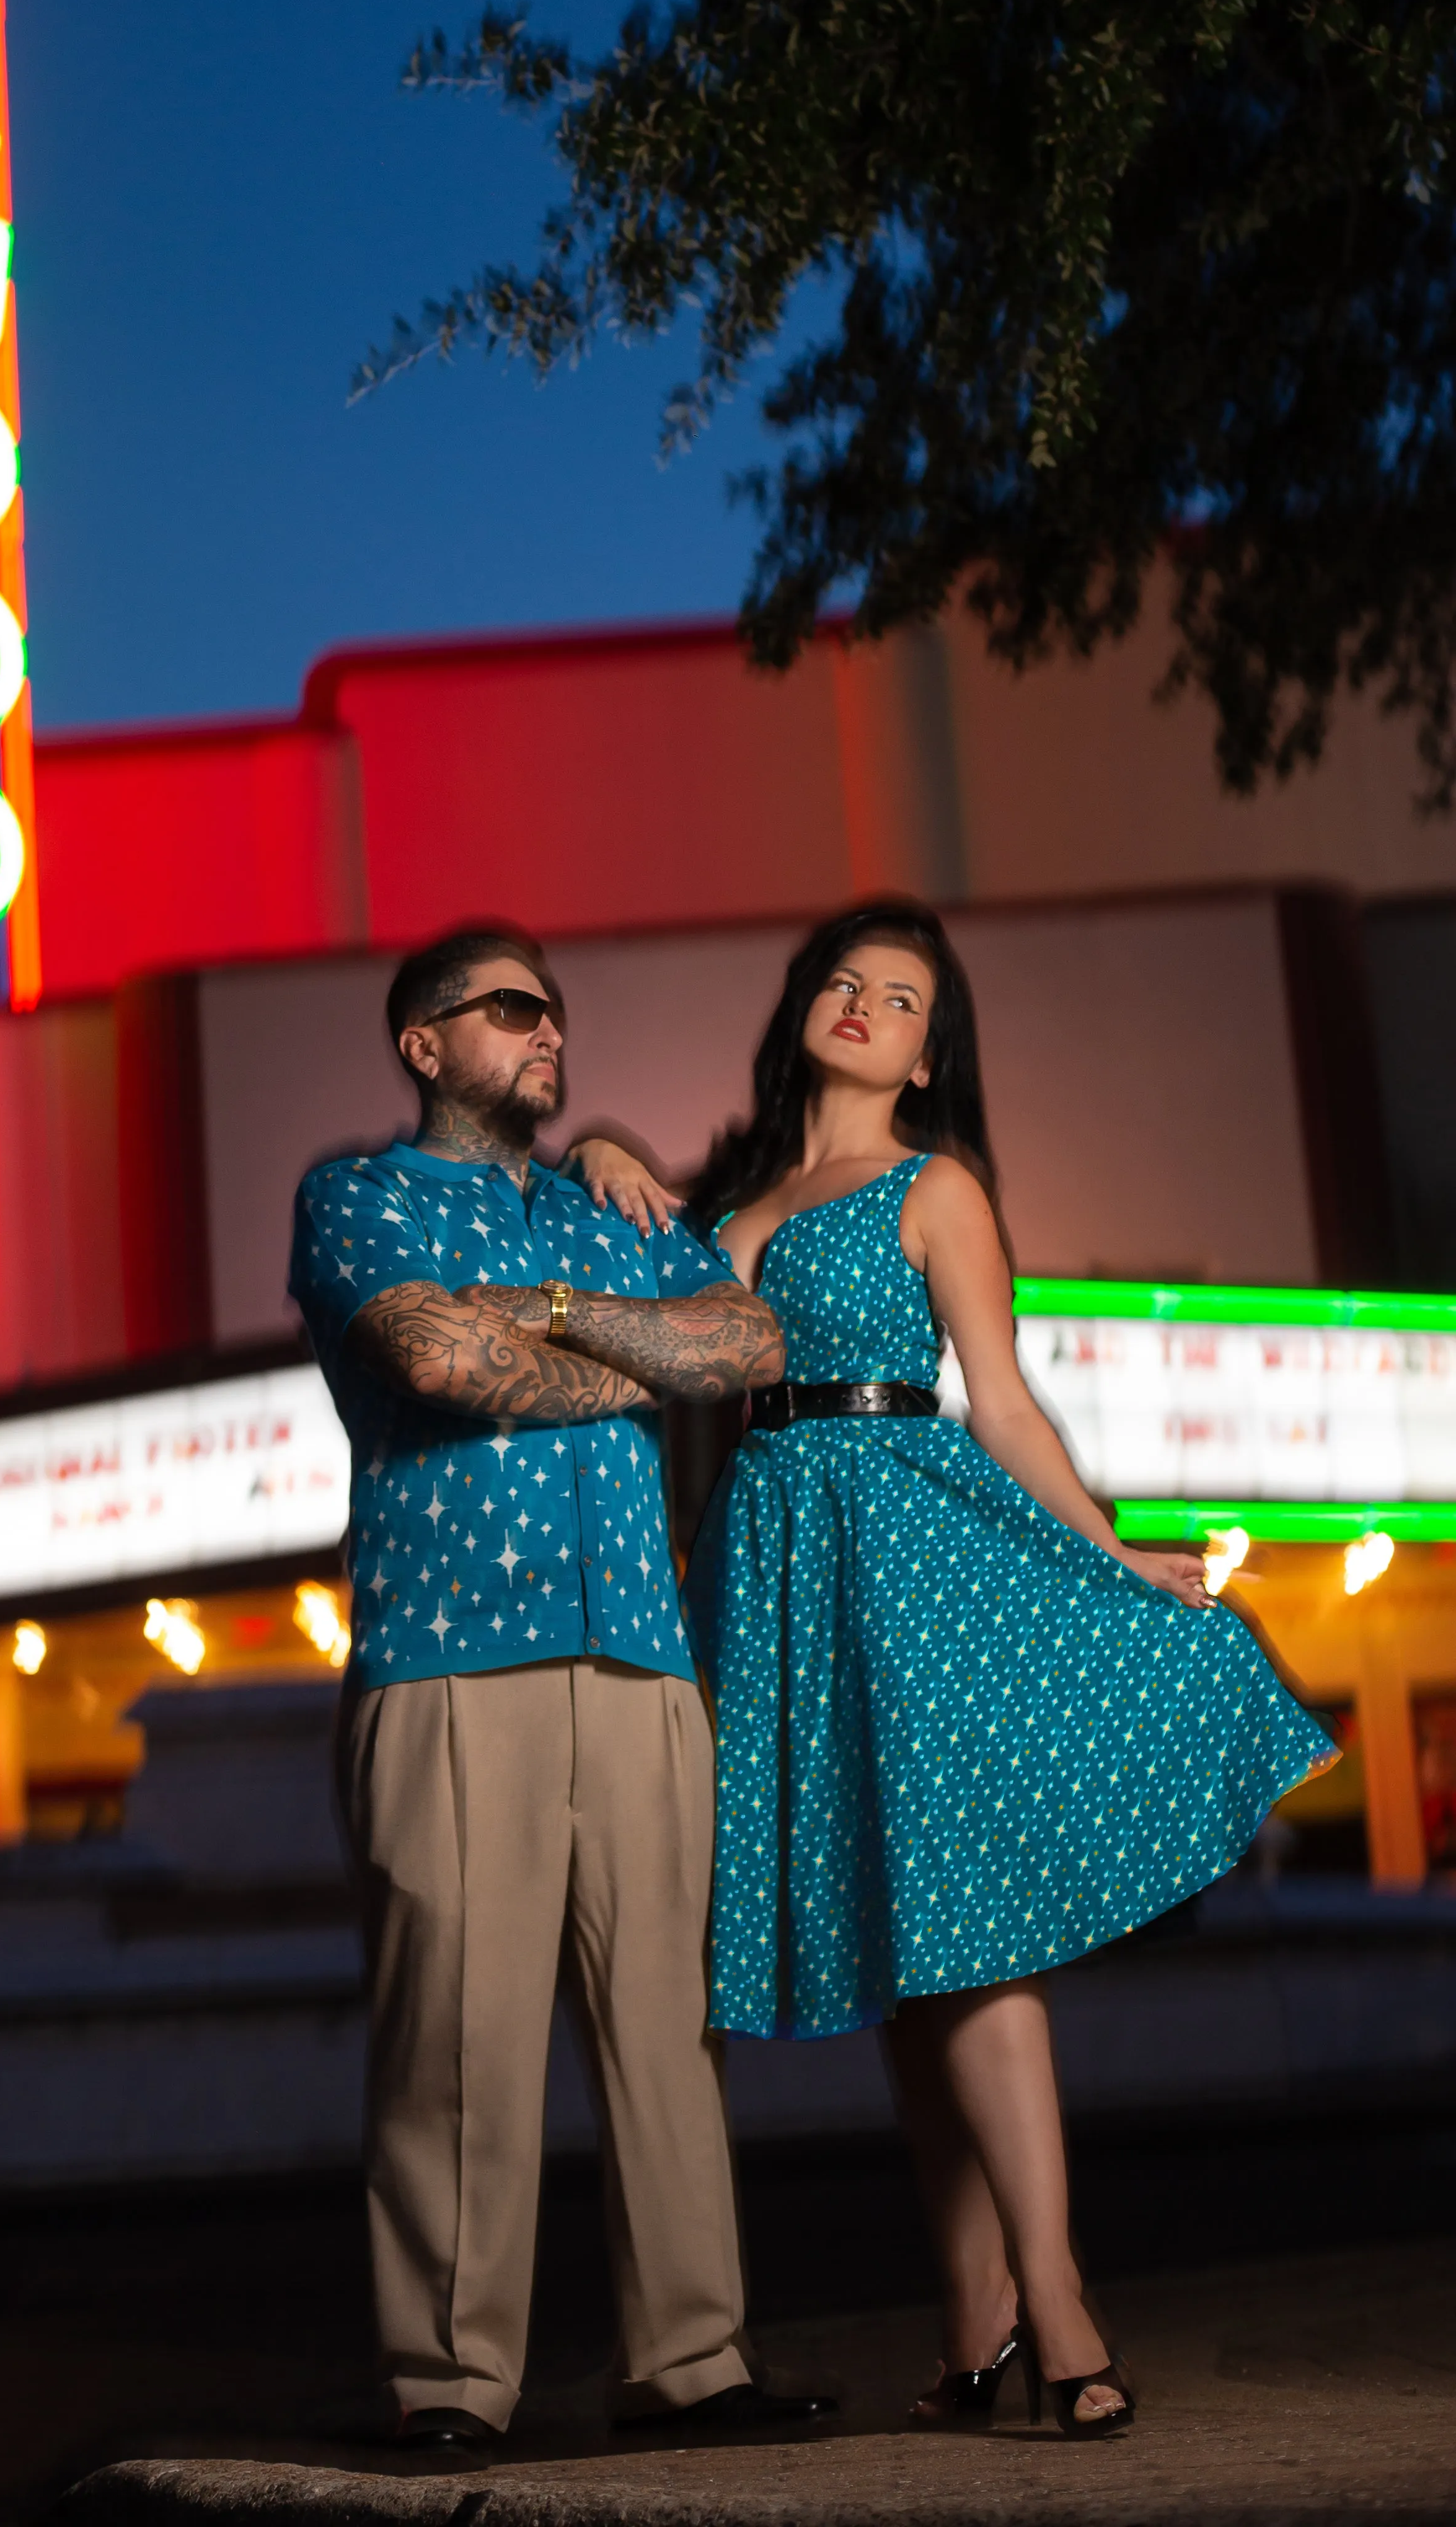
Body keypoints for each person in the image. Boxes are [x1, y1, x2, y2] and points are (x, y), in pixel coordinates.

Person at [571, 901, 1335, 2443]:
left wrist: (1115, 1556)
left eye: (900, 998)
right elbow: (636, 1297)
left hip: (917, 1554)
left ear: (930, 1056)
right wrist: (597, 1145)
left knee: (967, 1942)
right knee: (901, 1974)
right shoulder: (734, 1203)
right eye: (844, 982)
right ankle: (975, 2315)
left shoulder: (939, 1188)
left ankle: (1056, 2304)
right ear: (804, 1009)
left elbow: (1007, 1405)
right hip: (773, 1568)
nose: (863, 1005)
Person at [288, 923, 822, 2457]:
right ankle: (452, 2382)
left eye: (556, 1013)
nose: (548, 1031)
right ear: (424, 1042)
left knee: (668, 2028)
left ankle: (690, 2362)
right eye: (514, 1008)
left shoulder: (617, 1204)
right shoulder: (359, 1195)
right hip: (454, 1659)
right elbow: (435, 1360)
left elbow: (744, 1340)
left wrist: (569, 1314)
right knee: (455, 2032)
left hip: (644, 1663)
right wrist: (627, 1355)